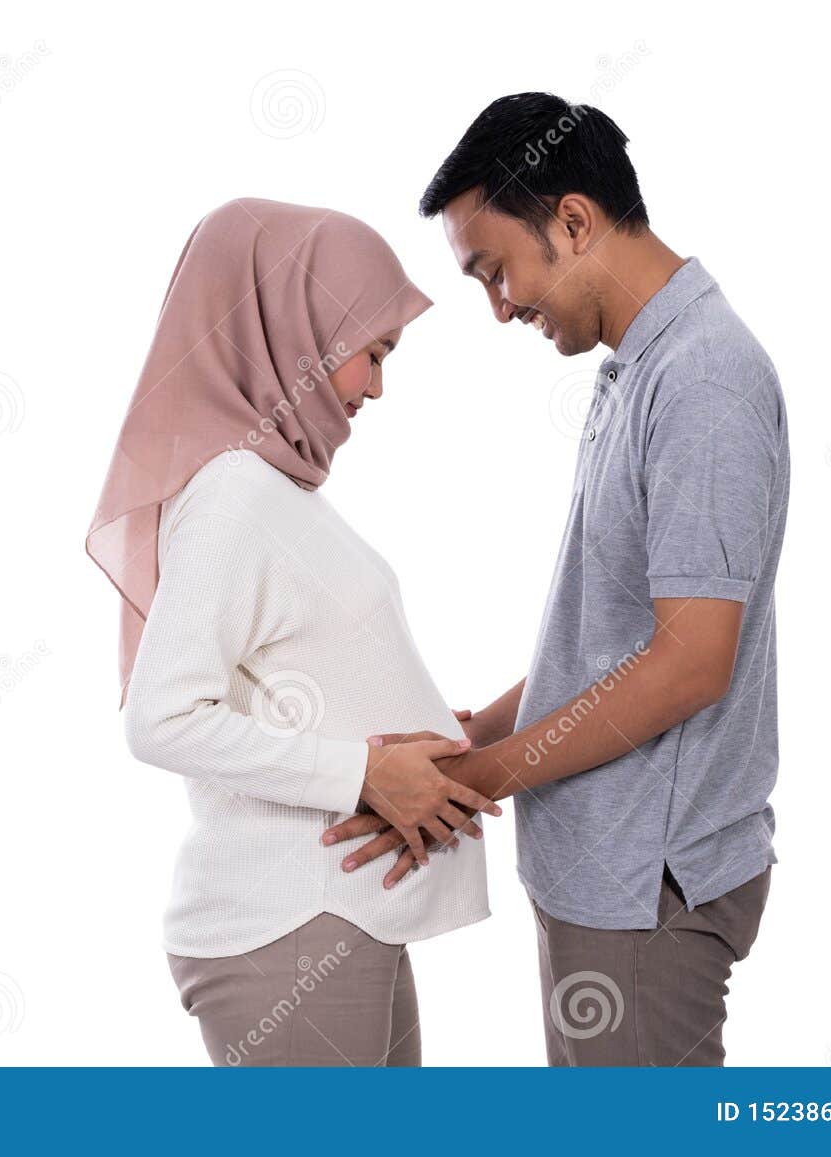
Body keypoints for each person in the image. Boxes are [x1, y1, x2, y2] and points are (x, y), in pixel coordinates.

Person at [326, 94, 791, 1067]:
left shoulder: (702, 378)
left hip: (643, 888)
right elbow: (610, 637)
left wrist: (475, 781)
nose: (500, 308)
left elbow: (689, 662)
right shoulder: (639, 365)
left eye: (497, 270)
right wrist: (473, 734)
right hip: (608, 877)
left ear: (573, 220)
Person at [86, 198, 499, 1067]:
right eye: (373, 353)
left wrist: (407, 735)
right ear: (294, 330)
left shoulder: (274, 494)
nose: (377, 387)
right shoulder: (234, 495)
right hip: (290, 930)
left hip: (336, 921)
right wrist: (366, 771)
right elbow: (160, 717)